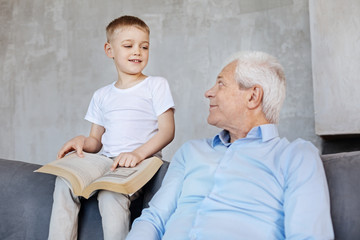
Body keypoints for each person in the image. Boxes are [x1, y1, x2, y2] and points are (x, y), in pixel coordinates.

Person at [126, 51, 334, 240]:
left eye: (221, 84)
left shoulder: (296, 156)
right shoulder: (190, 152)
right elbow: (154, 219)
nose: (208, 92)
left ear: (253, 96)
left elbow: (309, 236)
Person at [48, 16, 175, 240]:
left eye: (144, 46)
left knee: (110, 195)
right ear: (110, 50)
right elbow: (95, 141)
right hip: (107, 160)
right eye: (128, 45)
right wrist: (82, 141)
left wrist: (137, 154)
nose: (137, 51)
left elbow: (167, 131)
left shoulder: (156, 85)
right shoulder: (102, 95)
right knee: (64, 180)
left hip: (142, 161)